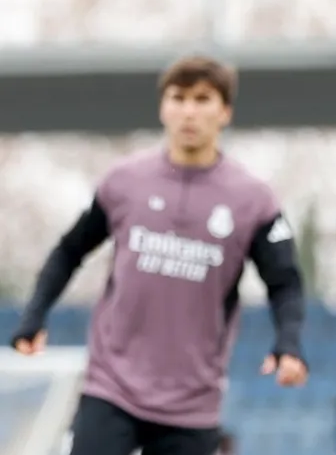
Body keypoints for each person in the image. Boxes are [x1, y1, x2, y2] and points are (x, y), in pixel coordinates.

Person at [9, 55, 308, 455]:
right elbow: (69, 250)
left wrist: (288, 343)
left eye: (202, 99)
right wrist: (34, 317)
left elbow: (285, 281)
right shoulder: (124, 182)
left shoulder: (253, 200)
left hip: (193, 402)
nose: (189, 110)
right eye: (178, 97)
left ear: (224, 112)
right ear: (163, 107)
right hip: (111, 387)